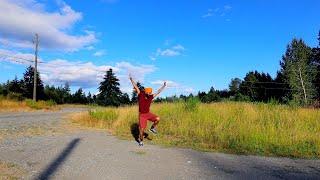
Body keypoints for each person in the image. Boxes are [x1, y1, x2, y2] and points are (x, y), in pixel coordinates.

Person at [129, 75, 166, 146]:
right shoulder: (140, 94)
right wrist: (131, 79)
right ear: (146, 92)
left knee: (158, 119)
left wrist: (163, 86)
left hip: (148, 114)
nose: (150, 93)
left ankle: (152, 128)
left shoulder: (151, 97)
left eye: (150, 92)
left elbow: (158, 92)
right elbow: (136, 86)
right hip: (142, 115)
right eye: (149, 92)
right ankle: (141, 141)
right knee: (142, 130)